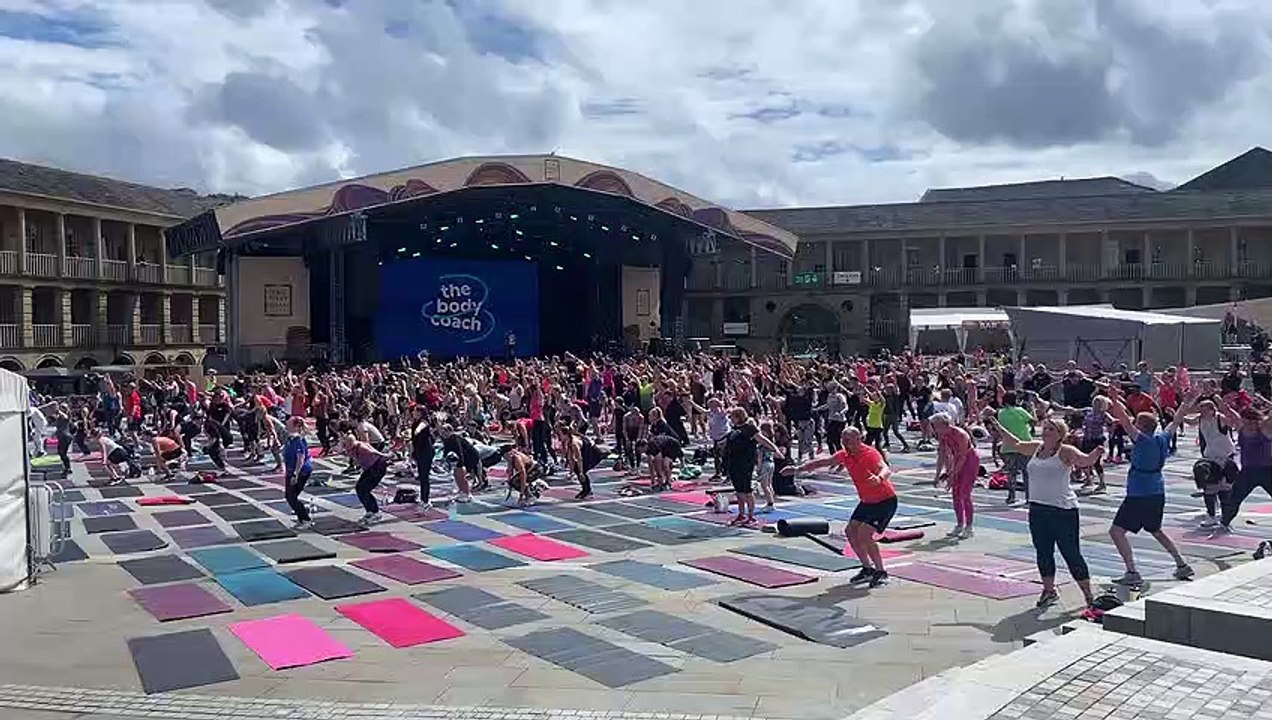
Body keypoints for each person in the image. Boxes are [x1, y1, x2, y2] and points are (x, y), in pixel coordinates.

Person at [988, 414, 1101, 609]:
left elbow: (1084, 461)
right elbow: (1015, 443)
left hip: (1063, 510)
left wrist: (1097, 453)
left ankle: (1088, 595)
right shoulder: (1036, 448)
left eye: (1051, 429)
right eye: (1045, 428)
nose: (1047, 432)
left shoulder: (1065, 451)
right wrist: (998, 427)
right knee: (1043, 551)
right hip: (1038, 509)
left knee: (1071, 553)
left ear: (1060, 434)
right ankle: (1049, 590)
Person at [783, 426, 896, 587]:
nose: (844, 443)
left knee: (865, 535)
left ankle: (881, 571)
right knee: (850, 531)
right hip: (867, 501)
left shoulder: (870, 453)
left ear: (858, 439)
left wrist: (879, 478)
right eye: (843, 440)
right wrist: (797, 469)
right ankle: (867, 568)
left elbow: (885, 468)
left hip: (885, 500)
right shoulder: (845, 455)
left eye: (848, 440)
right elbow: (824, 462)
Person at [1107, 389, 1194, 585]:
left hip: (1139, 493)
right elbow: (1177, 419)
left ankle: (1132, 571)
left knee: (1116, 531)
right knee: (1155, 529)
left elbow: (1125, 420)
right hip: (1157, 491)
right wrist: (1188, 400)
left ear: (1141, 426)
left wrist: (1113, 399)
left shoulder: (1142, 440)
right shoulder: (1162, 438)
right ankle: (1181, 564)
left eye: (1137, 422)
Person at [1216, 394, 1272, 532]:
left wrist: (1266, 403)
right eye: (1247, 422)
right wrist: (1219, 399)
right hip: (1247, 472)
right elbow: (1228, 411)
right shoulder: (1242, 428)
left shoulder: (1265, 428)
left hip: (1267, 471)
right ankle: (1224, 523)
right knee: (1234, 499)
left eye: (1253, 422)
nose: (1250, 425)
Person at [720, 407, 782, 527]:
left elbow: (763, 440)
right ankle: (741, 514)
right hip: (734, 463)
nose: (731, 419)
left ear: (738, 417)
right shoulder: (734, 430)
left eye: (732, 416)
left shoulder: (749, 429)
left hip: (745, 463)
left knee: (747, 490)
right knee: (739, 491)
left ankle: (751, 516)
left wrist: (775, 449)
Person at [932, 412, 977, 539]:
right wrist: (938, 475)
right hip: (958, 460)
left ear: (943, 425)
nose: (934, 429)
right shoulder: (942, 436)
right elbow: (942, 455)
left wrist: (953, 474)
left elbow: (963, 456)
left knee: (964, 493)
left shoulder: (960, 434)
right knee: (955, 494)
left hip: (969, 460)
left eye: (936, 426)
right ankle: (959, 524)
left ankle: (969, 526)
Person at [341, 433, 391, 526]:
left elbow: (374, 452)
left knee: (364, 489)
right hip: (369, 468)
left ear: (351, 442)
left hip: (377, 467)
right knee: (359, 488)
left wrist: (387, 456)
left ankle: (375, 512)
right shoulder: (352, 448)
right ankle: (370, 511)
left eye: (347, 444)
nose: (345, 446)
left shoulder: (362, 447)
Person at [997, 391, 1034, 504]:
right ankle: (1029, 497)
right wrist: (1031, 410)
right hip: (1024, 443)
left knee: (1012, 472)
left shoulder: (1001, 413)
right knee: (1026, 472)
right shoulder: (1020, 411)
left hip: (1008, 445)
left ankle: (1011, 496)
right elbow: (1033, 421)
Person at [282, 417, 314, 530]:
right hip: (291, 470)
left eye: (288, 422)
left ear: (295, 426)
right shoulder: (290, 438)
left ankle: (306, 519)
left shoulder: (298, 440)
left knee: (291, 497)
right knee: (291, 496)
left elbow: (300, 459)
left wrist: (296, 474)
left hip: (300, 471)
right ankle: (303, 515)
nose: (286, 423)